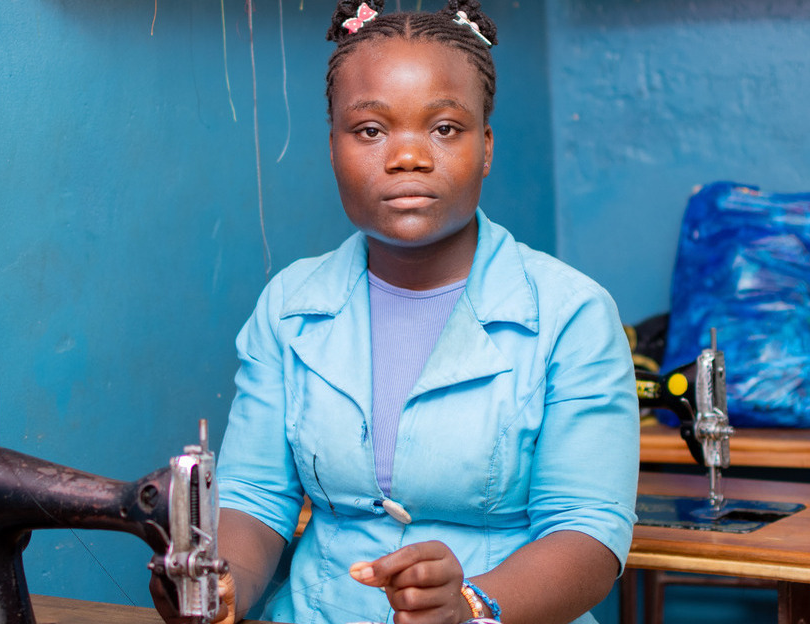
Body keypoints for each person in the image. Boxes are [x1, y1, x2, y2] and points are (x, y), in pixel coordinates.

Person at [153, 1, 639, 623]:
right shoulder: (290, 306)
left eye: (444, 128)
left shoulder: (572, 316)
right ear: (332, 148)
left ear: (485, 148)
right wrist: (219, 593)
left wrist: (472, 606)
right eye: (370, 131)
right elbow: (255, 498)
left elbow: (588, 532)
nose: (407, 156)